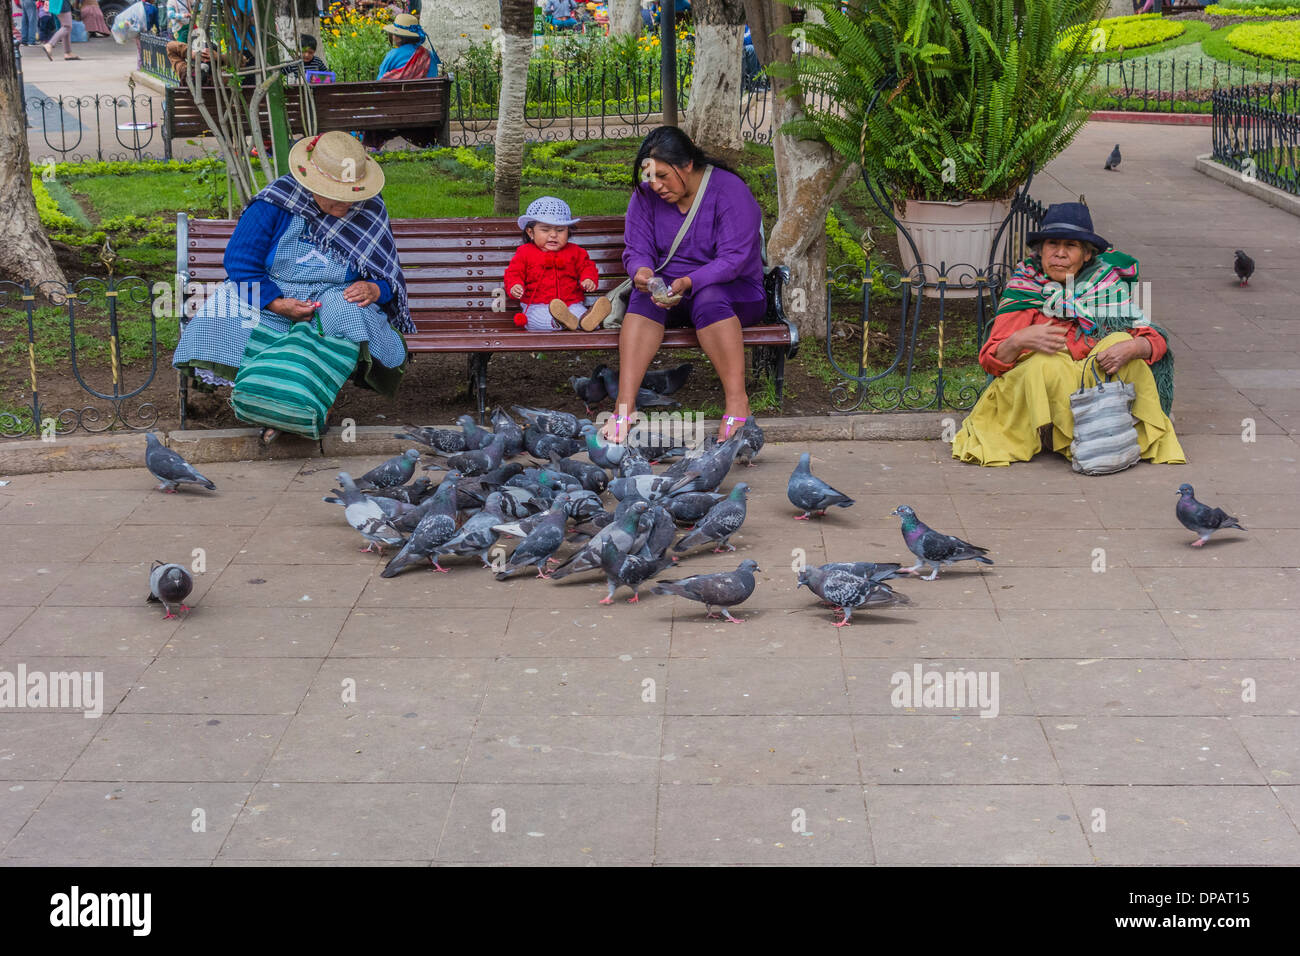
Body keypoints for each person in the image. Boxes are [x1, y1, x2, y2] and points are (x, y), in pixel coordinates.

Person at [172, 131, 412, 444]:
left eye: (350, 194)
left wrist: (376, 289)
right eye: (335, 193)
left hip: (333, 296)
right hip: (274, 290)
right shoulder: (274, 203)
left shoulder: (368, 207)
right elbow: (240, 263)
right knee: (223, 312)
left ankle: (308, 403)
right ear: (312, 184)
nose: (346, 202)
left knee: (351, 317)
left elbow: (387, 273)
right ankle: (269, 402)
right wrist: (276, 303)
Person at [951, 202, 1184, 468]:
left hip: (1093, 392)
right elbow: (990, 361)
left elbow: (1155, 340)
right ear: (1041, 251)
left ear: (1087, 254)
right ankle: (1068, 440)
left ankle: (1114, 439)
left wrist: (1134, 348)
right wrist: (1020, 340)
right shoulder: (1025, 287)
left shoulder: (1105, 286)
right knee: (1046, 363)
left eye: (1070, 246)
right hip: (1036, 402)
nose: (1059, 254)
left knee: (1122, 341)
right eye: (1052, 244)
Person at [604, 126, 767, 443]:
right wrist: (641, 272)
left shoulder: (730, 191)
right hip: (669, 291)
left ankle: (737, 402)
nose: (656, 185)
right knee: (641, 301)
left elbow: (733, 259)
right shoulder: (646, 196)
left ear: (687, 164)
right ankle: (624, 406)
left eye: (663, 176)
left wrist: (691, 281)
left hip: (735, 292)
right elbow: (636, 249)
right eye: (650, 176)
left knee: (709, 297)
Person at [505, 197, 611, 333]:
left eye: (560, 230)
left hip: (571, 304)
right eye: (545, 230)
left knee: (578, 313)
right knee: (540, 319)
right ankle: (562, 322)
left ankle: (588, 320)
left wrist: (588, 279)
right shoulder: (525, 253)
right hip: (537, 305)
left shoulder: (575, 252)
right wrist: (515, 285)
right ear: (531, 232)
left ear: (568, 231)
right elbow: (513, 273)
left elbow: (587, 267)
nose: (553, 235)